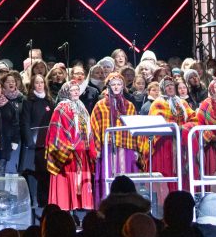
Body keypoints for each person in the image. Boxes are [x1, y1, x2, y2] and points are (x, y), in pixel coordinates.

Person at [45, 81, 96, 211]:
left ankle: (78, 207)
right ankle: (66, 209)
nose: (76, 92)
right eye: (72, 90)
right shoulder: (61, 108)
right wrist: (67, 147)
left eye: (77, 89)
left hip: (82, 151)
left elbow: (88, 130)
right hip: (68, 154)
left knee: (80, 181)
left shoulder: (82, 107)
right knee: (66, 181)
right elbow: (55, 131)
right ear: (66, 92)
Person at [90, 73, 140, 202]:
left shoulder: (129, 105)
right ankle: (109, 204)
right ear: (108, 86)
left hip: (126, 146)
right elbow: (95, 127)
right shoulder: (100, 105)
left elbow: (134, 128)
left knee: (127, 176)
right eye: (113, 84)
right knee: (108, 175)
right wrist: (97, 148)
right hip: (107, 147)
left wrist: (136, 149)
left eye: (119, 84)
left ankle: (128, 203)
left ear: (123, 86)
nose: (116, 87)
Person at [148, 77, 197, 191]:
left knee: (183, 172)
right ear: (162, 89)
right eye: (167, 85)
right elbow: (156, 123)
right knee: (169, 171)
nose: (170, 87)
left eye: (171, 85)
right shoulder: (157, 103)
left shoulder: (182, 102)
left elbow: (194, 119)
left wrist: (184, 128)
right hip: (166, 144)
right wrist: (174, 128)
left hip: (183, 142)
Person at [19, 74, 54, 207]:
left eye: (41, 82)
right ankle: (33, 201)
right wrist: (29, 142)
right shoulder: (28, 101)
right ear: (33, 85)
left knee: (46, 173)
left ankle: (44, 201)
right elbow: (25, 122)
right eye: (37, 83)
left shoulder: (50, 101)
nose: (39, 85)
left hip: (47, 143)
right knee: (33, 173)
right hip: (33, 145)